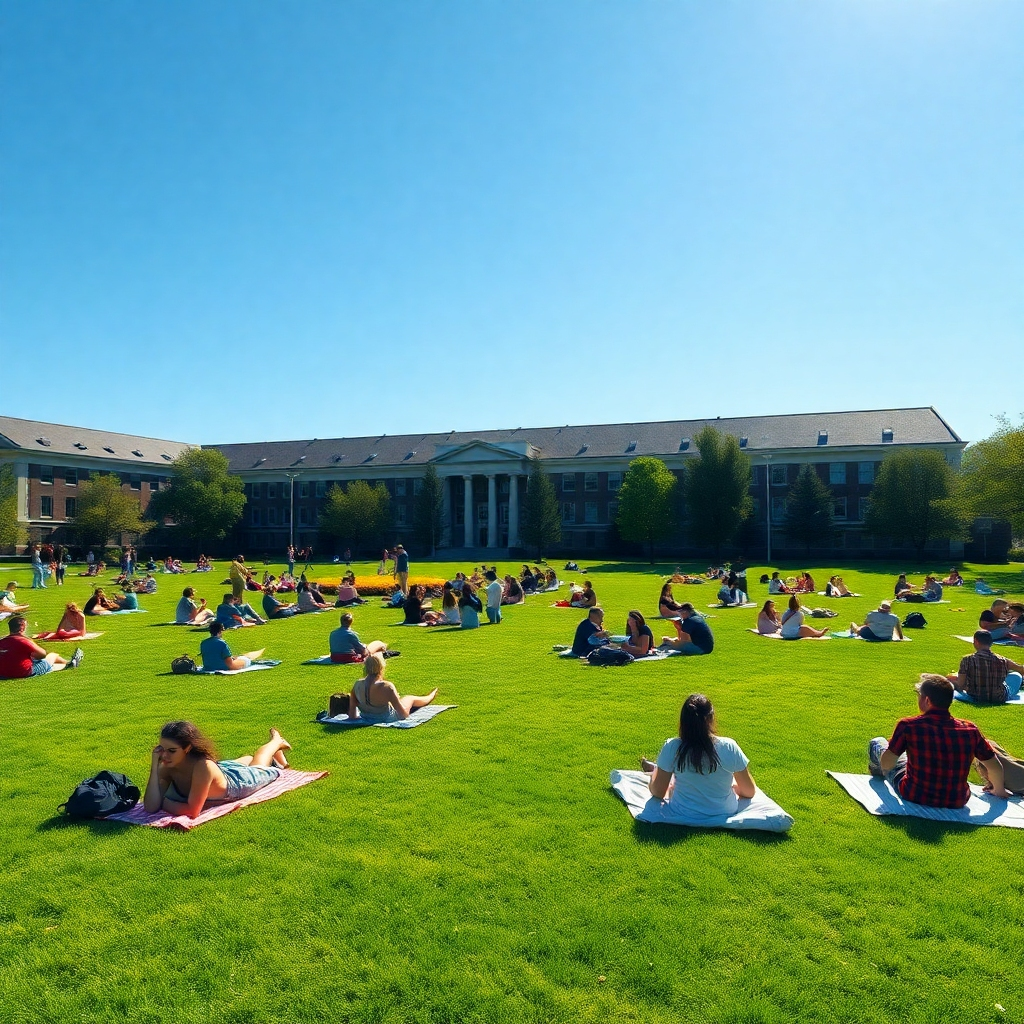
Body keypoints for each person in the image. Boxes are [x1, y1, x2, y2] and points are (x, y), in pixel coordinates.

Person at [868, 675, 1010, 807]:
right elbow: (994, 766)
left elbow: (888, 763)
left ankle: (877, 775)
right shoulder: (970, 729)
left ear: (927, 700)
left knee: (877, 743)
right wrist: (999, 790)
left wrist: (887, 768)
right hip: (957, 799)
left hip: (915, 794)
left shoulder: (908, 725)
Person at [143, 721, 290, 819]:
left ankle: (276, 742)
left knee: (259, 762)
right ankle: (274, 754)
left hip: (237, 783)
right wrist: (154, 766)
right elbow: (150, 806)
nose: (165, 755)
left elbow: (192, 811)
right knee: (245, 759)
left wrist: (164, 802)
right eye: (162, 749)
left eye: (172, 750)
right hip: (220, 770)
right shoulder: (169, 765)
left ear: (187, 748)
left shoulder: (202, 767)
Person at [639, 693, 755, 816]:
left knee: (673, 777)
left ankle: (655, 769)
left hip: (683, 811)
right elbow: (749, 791)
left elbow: (658, 792)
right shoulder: (729, 747)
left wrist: (652, 779)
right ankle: (656, 769)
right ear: (711, 719)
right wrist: (734, 788)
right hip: (723, 811)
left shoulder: (673, 747)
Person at [346, 653, 437, 724]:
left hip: (366, 716)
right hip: (386, 718)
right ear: (381, 667)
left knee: (401, 700)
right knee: (409, 698)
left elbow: (352, 715)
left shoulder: (357, 684)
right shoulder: (386, 686)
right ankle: (430, 696)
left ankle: (430, 695)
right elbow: (402, 715)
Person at [946, 630, 1024, 705]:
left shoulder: (967, 660)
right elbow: (1020, 668)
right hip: (999, 698)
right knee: (1017, 676)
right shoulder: (1003, 660)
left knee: (953, 680)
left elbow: (961, 685)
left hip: (975, 697)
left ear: (976, 641)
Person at [0, 615, 81, 677]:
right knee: (52, 656)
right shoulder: (24, 641)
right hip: (24, 672)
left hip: (4, 674)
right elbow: (42, 654)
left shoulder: (2, 641)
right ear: (22, 628)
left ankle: (69, 664)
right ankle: (70, 664)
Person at [199, 620, 265, 672]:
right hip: (224, 667)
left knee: (238, 658)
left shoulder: (203, 643)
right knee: (245, 659)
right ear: (220, 631)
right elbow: (229, 664)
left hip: (208, 667)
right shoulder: (222, 643)